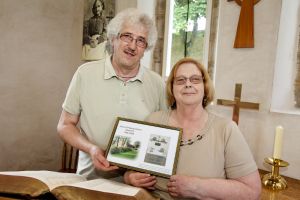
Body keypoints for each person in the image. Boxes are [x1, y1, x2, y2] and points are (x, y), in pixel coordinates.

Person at [123, 57, 261, 200]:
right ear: (171, 88)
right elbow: (129, 172)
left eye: (195, 79)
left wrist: (197, 187)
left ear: (205, 86)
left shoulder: (226, 129)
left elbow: (252, 191)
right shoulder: (154, 120)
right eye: (180, 80)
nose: (188, 84)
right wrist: (130, 178)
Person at [57, 8, 167, 180]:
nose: (132, 46)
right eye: (127, 37)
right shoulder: (85, 74)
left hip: (138, 184)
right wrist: (91, 149)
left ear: (146, 48)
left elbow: (164, 135)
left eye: (140, 41)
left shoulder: (157, 83)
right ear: (113, 38)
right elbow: (65, 125)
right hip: (90, 180)